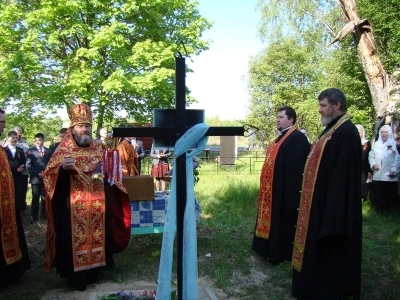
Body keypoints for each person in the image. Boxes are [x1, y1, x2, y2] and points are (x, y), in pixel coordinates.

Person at [42, 103, 131, 291]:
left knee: (98, 236)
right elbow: (48, 174)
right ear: (72, 129)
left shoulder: (98, 149)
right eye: (81, 126)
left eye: (87, 126)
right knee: (74, 240)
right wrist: (61, 169)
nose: (85, 129)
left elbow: (109, 176)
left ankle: (95, 272)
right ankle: (76, 278)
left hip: (98, 207)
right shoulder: (62, 150)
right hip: (71, 209)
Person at [292, 88, 362, 299]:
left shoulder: (347, 132)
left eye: (323, 106)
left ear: (337, 105)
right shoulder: (331, 129)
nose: (320, 110)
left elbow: (343, 178)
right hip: (318, 201)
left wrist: (331, 214)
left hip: (331, 207)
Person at [252, 106, 310, 264]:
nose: (277, 119)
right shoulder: (280, 137)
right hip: (272, 189)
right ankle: (265, 248)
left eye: (281, 117)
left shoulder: (297, 138)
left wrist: (289, 193)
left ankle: (279, 253)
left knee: (282, 223)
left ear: (291, 119)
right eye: (277, 117)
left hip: (283, 190)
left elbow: (296, 168)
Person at [0, 109, 31, 287]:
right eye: (1, 122)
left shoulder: (2, 150)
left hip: (7, 203)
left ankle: (12, 271)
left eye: (4, 121)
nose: (4, 125)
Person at [368, 125, 400, 211]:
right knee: (379, 192)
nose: (383, 134)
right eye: (382, 132)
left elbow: (398, 159)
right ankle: (378, 210)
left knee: (389, 193)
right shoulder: (376, 144)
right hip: (378, 173)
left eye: (385, 132)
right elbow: (371, 155)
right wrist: (373, 164)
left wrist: (394, 170)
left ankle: (390, 211)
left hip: (389, 174)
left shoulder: (394, 144)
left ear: (389, 133)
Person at [26, 133, 49, 222]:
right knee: (35, 197)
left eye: (39, 140)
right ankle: (33, 216)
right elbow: (28, 165)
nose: (38, 142)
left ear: (43, 140)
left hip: (46, 178)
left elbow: (50, 163)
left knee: (44, 197)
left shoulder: (48, 150)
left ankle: (44, 214)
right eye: (36, 141)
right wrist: (37, 173)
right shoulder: (31, 151)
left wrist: (46, 173)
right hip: (35, 179)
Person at [4, 131, 27, 212]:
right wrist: (14, 169)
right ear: (8, 138)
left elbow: (23, 162)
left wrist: (22, 166)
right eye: (13, 138)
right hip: (7, 176)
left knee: (18, 194)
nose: (14, 139)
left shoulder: (20, 150)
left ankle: (18, 210)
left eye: (16, 138)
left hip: (19, 177)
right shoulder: (4, 150)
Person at [355, 124, 372, 202]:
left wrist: (369, 170)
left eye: (360, 132)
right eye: (357, 132)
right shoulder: (352, 142)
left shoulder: (366, 142)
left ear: (362, 132)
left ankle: (362, 198)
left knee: (362, 183)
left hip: (364, 166)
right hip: (354, 166)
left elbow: (369, 155)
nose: (358, 133)